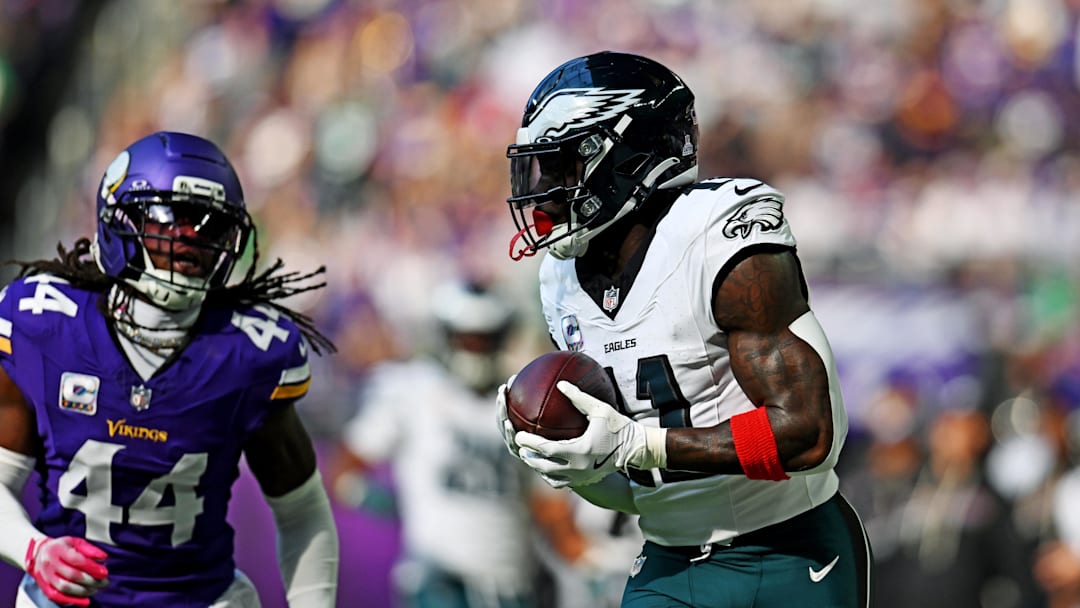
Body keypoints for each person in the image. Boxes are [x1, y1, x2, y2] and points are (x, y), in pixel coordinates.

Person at [495, 51, 872, 607]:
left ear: (629, 155)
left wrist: (641, 444)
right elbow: (636, 490)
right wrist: (575, 462)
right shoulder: (559, 279)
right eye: (539, 169)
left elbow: (810, 433)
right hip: (670, 557)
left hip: (790, 545)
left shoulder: (716, 235)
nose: (545, 190)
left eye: (562, 166)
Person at [0, 131, 339, 607]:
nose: (191, 237)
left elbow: (302, 511)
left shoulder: (248, 352)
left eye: (211, 226)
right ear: (122, 221)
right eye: (172, 218)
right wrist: (34, 550)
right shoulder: (45, 325)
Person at [329, 279, 600, 608]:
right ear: (446, 335)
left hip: (511, 584)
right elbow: (346, 467)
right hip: (439, 579)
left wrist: (591, 563)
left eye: (486, 339)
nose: (476, 350)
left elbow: (546, 505)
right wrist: (375, 498)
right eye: (468, 339)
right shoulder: (413, 389)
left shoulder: (524, 401)